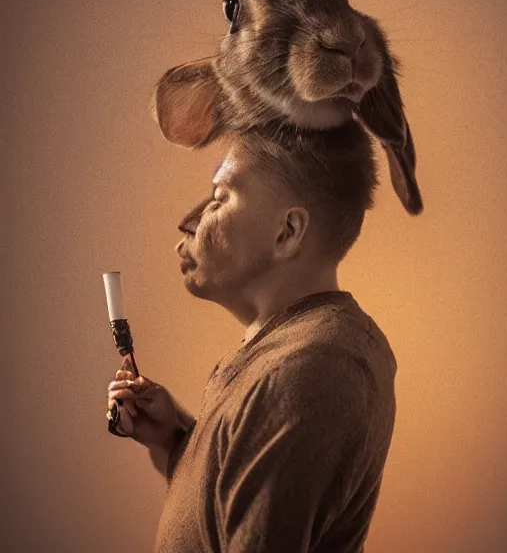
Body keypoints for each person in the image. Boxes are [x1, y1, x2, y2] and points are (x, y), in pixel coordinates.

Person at [107, 121, 397, 553]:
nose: (189, 222)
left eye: (220, 198)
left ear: (287, 233)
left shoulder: (310, 369)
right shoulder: (280, 352)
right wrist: (174, 439)